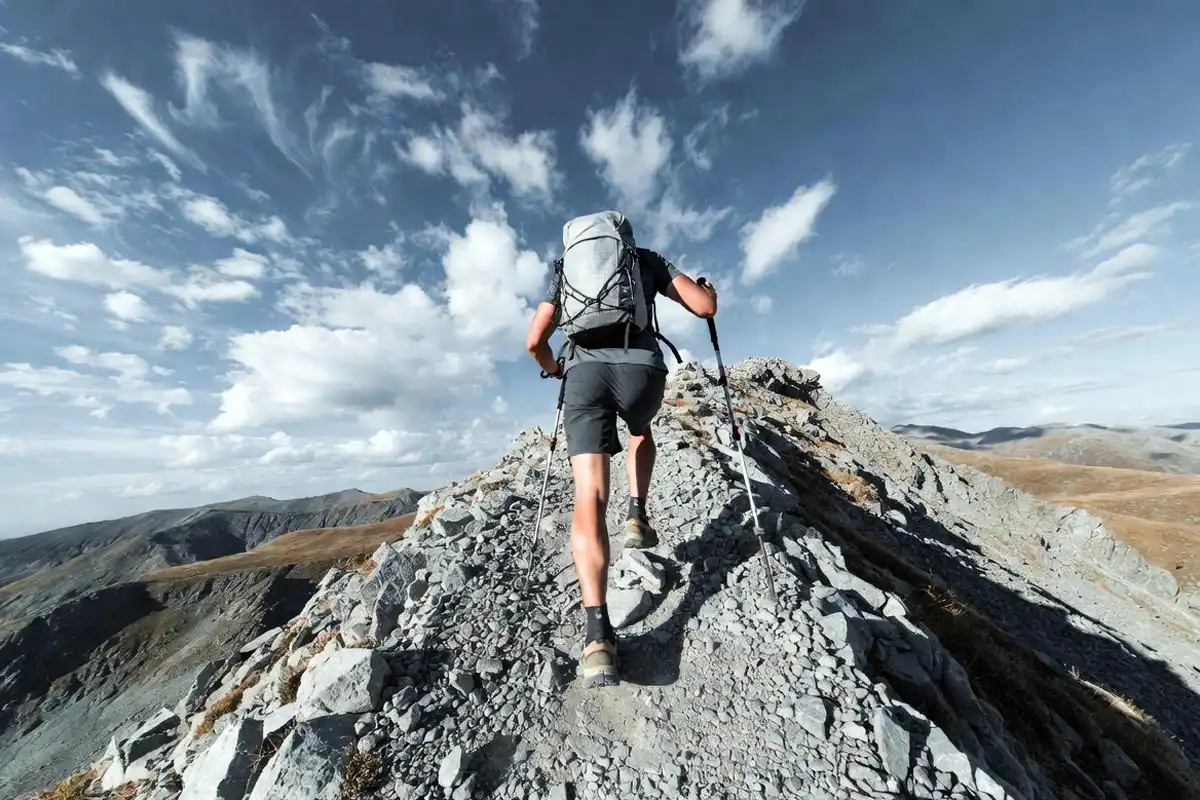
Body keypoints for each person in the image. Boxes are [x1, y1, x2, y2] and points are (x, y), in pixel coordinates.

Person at [524, 213, 718, 688]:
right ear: (621, 237)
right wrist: (707, 289)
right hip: (641, 370)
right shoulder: (644, 260)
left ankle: (596, 640)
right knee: (639, 432)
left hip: (584, 376)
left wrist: (554, 370)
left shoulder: (564, 271)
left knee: (588, 494)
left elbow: (534, 341)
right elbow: (703, 306)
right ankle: (637, 513)